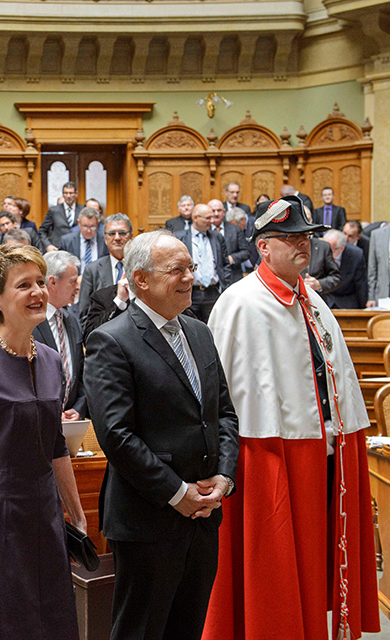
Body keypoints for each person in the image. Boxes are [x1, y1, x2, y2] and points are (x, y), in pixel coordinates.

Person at [205, 196, 379, 640]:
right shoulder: (240, 303)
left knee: (313, 557)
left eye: (306, 237)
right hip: (268, 453)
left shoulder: (312, 300)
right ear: (264, 247)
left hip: (321, 449)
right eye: (291, 239)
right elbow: (223, 396)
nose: (304, 245)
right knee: (275, 565)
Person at [84, 229, 238, 640]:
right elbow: (117, 436)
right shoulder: (110, 340)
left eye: (191, 267)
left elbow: (223, 413)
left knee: (188, 629)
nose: (190, 277)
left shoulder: (200, 332)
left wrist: (223, 478)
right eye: (176, 270)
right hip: (148, 519)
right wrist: (178, 493)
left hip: (204, 516)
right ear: (141, 280)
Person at [0, 243, 85, 640]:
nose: (38, 292)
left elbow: (56, 447)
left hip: (44, 515)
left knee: (52, 621)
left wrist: (76, 516)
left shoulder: (49, 358)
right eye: (23, 285)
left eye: (40, 282)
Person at [32, 251, 86, 419]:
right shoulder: (29, 323)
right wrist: (52, 413)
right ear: (53, 282)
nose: (77, 286)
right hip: (38, 422)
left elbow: (82, 374)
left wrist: (78, 408)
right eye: (72, 281)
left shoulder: (72, 321)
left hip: (70, 422)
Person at [177, 203, 229, 322]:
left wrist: (225, 285)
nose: (212, 220)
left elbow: (225, 264)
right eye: (208, 218)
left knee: (213, 328)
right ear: (195, 218)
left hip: (213, 292)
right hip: (190, 292)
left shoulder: (217, 237)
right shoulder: (180, 238)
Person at [77, 212, 132, 319]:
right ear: (105, 239)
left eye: (122, 233)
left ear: (131, 236)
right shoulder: (92, 270)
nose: (117, 238)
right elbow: (84, 315)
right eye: (111, 234)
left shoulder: (140, 267)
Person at [323, 229, 367, 309]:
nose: (327, 253)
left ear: (341, 248)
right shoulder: (318, 251)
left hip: (347, 300)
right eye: (326, 248)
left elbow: (360, 284)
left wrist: (363, 307)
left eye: (332, 250)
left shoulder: (356, 255)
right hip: (325, 299)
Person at [60, 207, 107, 274]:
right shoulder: (67, 241)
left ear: (98, 223)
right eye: (85, 226)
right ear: (79, 223)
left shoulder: (105, 240)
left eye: (93, 227)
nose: (88, 230)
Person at [40, 180, 80, 249]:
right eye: (65, 193)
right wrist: (48, 245)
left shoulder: (82, 210)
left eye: (71, 193)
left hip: (76, 247)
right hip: (57, 248)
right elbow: (42, 230)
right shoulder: (54, 211)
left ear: (76, 194)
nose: (68, 196)